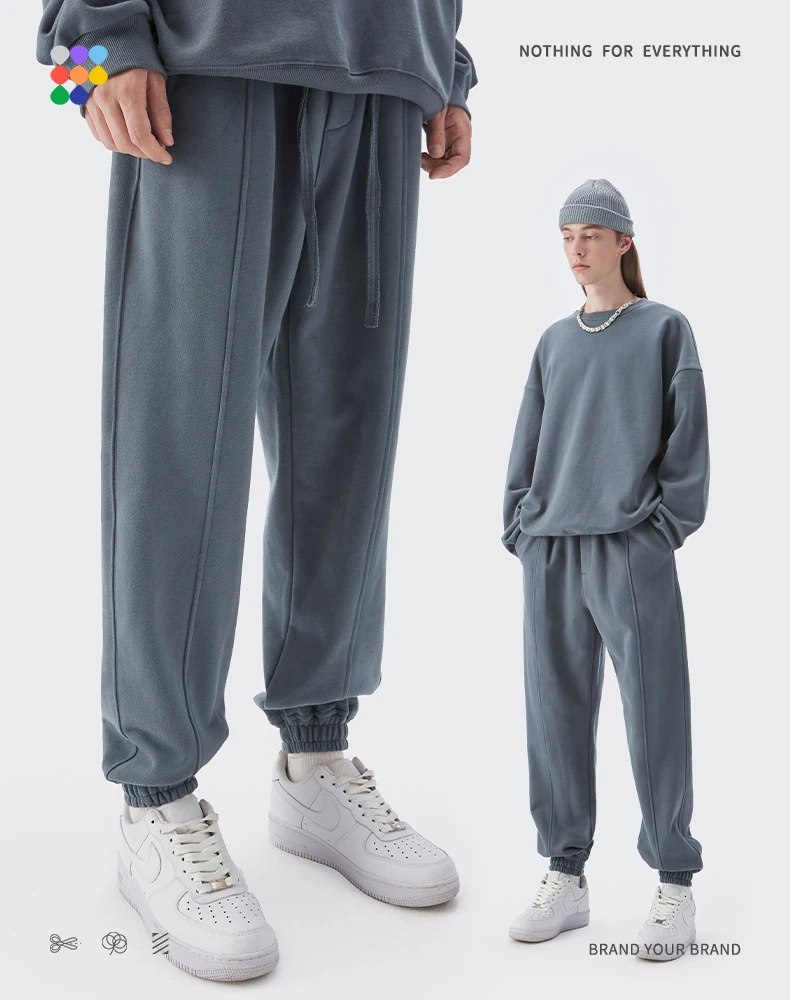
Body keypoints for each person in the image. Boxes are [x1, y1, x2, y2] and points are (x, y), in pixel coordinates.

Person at [36, 1, 476, 981]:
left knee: (350, 437)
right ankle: (154, 799)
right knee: (178, 435)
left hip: (383, 65)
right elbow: (78, 52)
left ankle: (316, 757)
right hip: (211, 54)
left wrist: (443, 61)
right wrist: (91, 44)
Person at [502, 179, 709, 961]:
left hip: (628, 546)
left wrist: (660, 530)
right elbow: (528, 440)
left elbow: (688, 445)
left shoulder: (664, 329)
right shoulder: (554, 342)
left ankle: (675, 882)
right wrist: (521, 526)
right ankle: (566, 873)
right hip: (552, 549)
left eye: (590, 234)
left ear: (624, 241)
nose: (576, 249)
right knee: (553, 713)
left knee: (655, 711)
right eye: (566, 236)